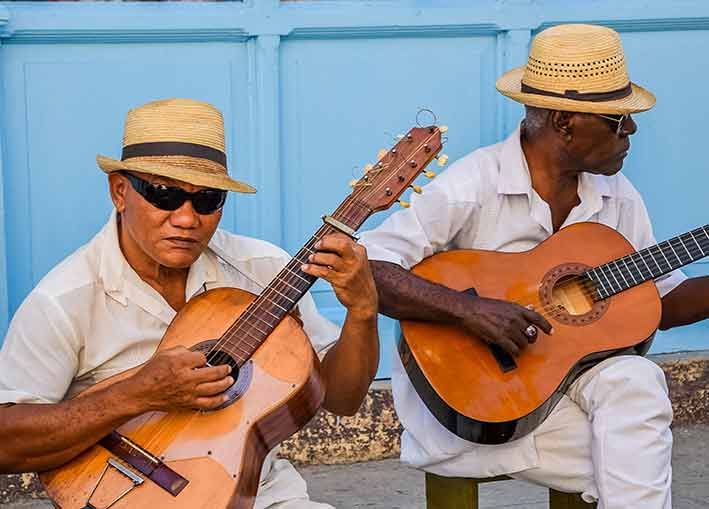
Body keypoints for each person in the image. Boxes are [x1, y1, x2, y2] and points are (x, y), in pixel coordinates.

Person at [359, 24, 709, 508]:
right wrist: (468, 311)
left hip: (563, 395)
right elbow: (371, 265)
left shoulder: (616, 196)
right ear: (565, 122)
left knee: (638, 380)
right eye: (617, 120)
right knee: (633, 459)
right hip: (472, 409)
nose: (631, 130)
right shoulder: (473, 183)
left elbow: (660, 300)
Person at [0, 98, 380, 509]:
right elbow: (6, 443)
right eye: (164, 194)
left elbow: (342, 399)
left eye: (207, 200)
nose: (186, 218)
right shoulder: (65, 299)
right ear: (120, 191)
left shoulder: (264, 270)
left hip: (262, 494)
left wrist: (362, 312)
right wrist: (137, 393)